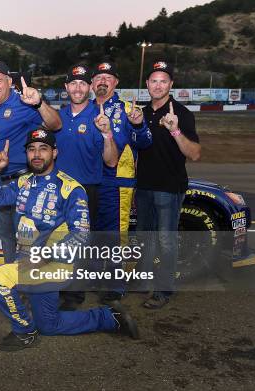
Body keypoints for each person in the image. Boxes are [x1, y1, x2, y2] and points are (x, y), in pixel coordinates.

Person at [0, 129, 139, 351]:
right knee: (50, 324)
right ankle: (109, 317)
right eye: (32, 149)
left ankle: (25, 331)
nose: (37, 154)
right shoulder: (23, 182)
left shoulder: (70, 188)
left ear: (54, 153)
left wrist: (44, 257)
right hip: (30, 263)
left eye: (43, 149)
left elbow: (81, 234)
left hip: (55, 265)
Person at [0, 60, 62, 264]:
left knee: (29, 239)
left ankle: (33, 286)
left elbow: (56, 124)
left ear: (9, 81)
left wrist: (38, 102)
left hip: (24, 181)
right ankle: (12, 282)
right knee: (6, 237)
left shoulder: (23, 102)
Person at [137, 60, 201, 309]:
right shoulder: (141, 113)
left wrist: (175, 131)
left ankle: (164, 290)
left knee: (166, 241)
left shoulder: (182, 114)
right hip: (143, 186)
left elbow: (194, 153)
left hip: (169, 188)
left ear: (171, 84)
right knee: (145, 238)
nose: (158, 85)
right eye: (154, 80)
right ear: (147, 84)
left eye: (164, 81)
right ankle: (143, 281)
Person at [91, 61, 152, 233]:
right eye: (98, 77)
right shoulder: (84, 109)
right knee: (87, 236)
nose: (103, 81)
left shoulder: (128, 110)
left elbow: (146, 143)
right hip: (86, 183)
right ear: (92, 83)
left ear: (116, 82)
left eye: (108, 77)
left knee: (114, 240)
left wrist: (139, 126)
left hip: (115, 186)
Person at [55, 64, 118, 228]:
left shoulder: (100, 117)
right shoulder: (57, 117)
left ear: (90, 86)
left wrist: (107, 133)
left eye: (82, 84)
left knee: (84, 246)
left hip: (86, 191)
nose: (77, 89)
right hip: (58, 189)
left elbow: (111, 162)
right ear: (66, 87)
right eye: (73, 83)